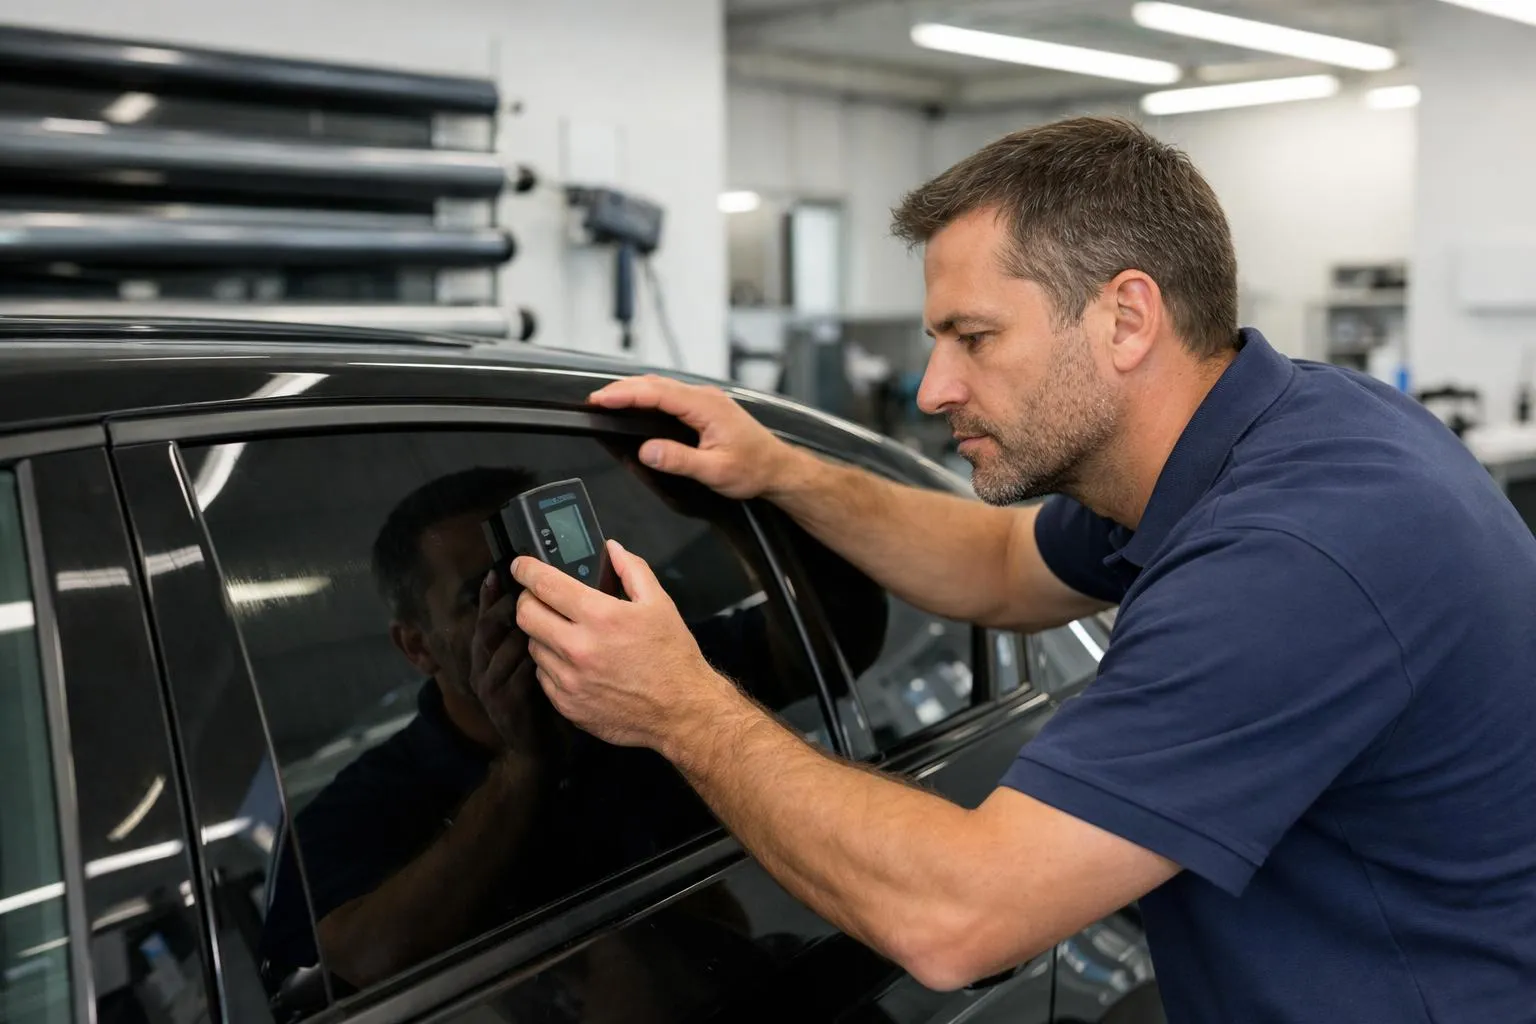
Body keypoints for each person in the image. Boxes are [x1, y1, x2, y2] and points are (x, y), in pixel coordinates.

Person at [510, 116, 1536, 1023]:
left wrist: (677, 705)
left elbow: (959, 918)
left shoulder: (1291, 559)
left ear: (1126, 318)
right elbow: (1002, 562)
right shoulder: (1268, 429)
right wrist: (779, 468)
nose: (933, 387)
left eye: (974, 338)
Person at [259, 467, 711, 993]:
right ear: (418, 647)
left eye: (539, 573)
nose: (533, 604)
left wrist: (728, 513)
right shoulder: (354, 810)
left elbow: (787, 654)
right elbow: (355, 963)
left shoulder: (647, 687)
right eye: (484, 593)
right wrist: (525, 763)